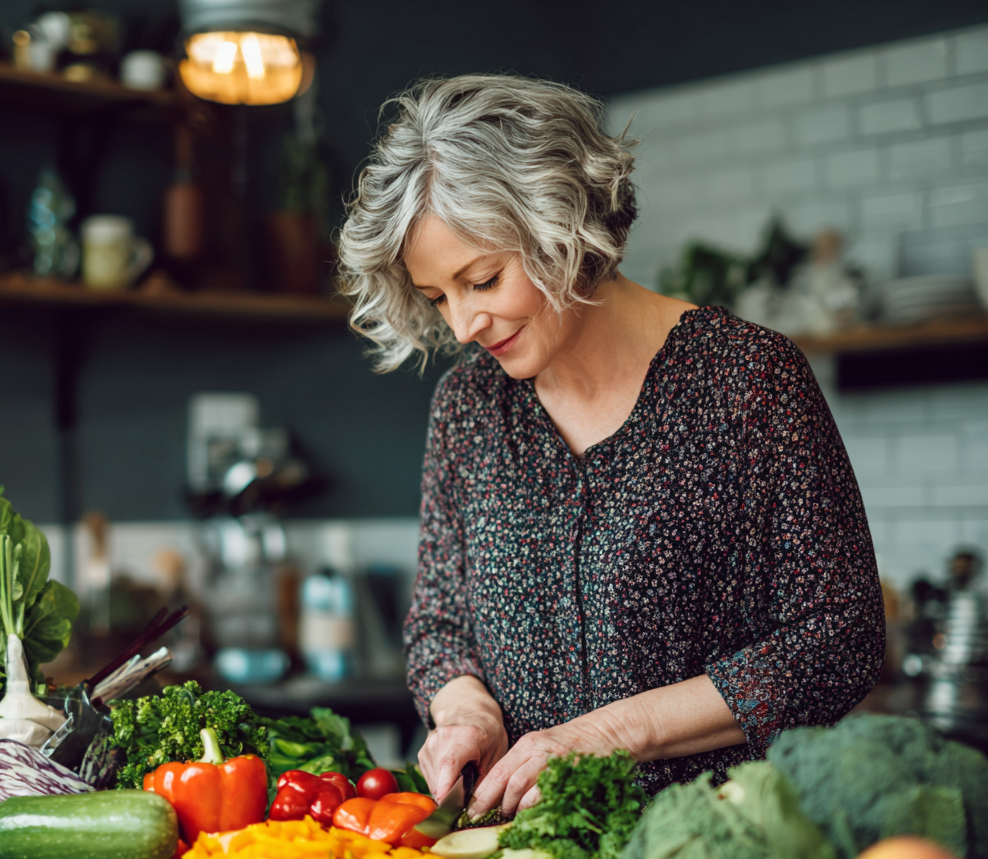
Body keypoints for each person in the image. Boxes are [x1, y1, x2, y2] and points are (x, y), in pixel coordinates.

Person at [337, 74, 884, 818]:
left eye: (484, 279)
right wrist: (467, 711)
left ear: (560, 223)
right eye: (439, 298)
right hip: (521, 855)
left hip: (714, 847)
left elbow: (838, 638)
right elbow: (440, 624)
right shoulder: (469, 408)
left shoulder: (747, 382)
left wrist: (608, 734)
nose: (463, 325)